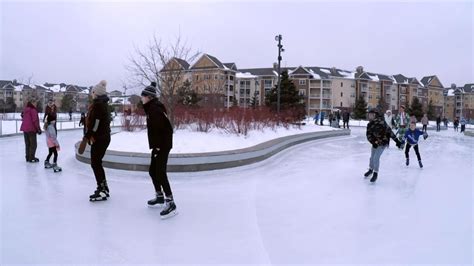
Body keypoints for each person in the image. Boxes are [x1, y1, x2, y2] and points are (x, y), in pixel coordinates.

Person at [141, 82, 177, 219]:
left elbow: (164, 129)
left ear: (149, 97)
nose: (141, 98)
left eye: (143, 96)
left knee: (160, 173)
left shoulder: (155, 110)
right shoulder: (152, 107)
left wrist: (159, 146)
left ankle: (171, 202)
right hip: (159, 145)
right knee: (153, 171)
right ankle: (160, 196)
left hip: (162, 145)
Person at [85, 80, 111, 201]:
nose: (91, 94)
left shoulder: (99, 105)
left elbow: (96, 123)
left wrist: (89, 134)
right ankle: (103, 187)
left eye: (92, 92)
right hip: (103, 137)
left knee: (95, 163)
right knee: (97, 163)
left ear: (96, 93)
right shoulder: (102, 104)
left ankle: (102, 190)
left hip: (100, 138)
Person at [364, 107, 402, 183]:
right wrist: (373, 142)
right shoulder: (369, 124)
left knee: (376, 157)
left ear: (376, 115)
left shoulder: (382, 122)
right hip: (375, 143)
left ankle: (375, 173)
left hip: (382, 143)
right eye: (369, 115)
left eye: (372, 115)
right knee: (372, 157)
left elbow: (390, 132)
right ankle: (371, 170)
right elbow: (368, 135)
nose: (370, 116)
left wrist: (397, 141)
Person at [20, 97, 42, 162]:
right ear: (33, 103)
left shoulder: (25, 109)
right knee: (33, 144)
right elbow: (35, 120)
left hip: (25, 129)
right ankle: (31, 157)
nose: (36, 104)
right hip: (31, 129)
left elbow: (23, 116)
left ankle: (27, 157)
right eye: (35, 103)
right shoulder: (33, 110)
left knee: (27, 144)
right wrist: (38, 129)